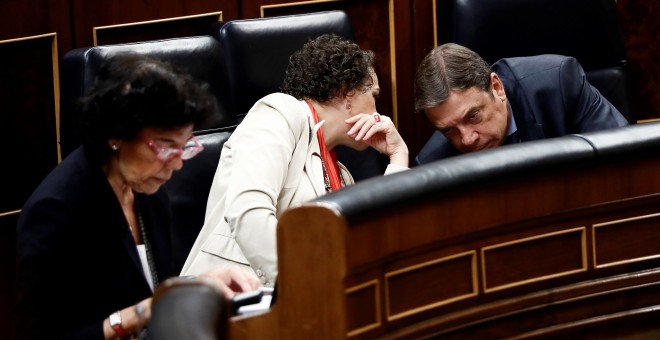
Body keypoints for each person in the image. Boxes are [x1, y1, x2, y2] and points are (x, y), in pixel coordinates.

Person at [15, 54, 260, 340]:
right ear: (115, 134)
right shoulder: (57, 211)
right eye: (167, 147)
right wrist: (134, 317)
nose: (178, 164)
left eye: (186, 147)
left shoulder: (147, 190)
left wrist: (200, 286)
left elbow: (150, 292)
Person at [181, 34, 409, 286]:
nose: (378, 112)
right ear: (347, 93)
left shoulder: (341, 175)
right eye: (374, 95)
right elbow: (248, 211)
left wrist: (398, 156)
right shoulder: (280, 113)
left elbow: (374, 243)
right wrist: (304, 289)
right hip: (232, 300)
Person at [414, 43, 629, 164]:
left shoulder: (558, 82)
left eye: (473, 116)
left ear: (497, 87)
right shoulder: (435, 161)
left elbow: (625, 155)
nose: (467, 140)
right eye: (449, 130)